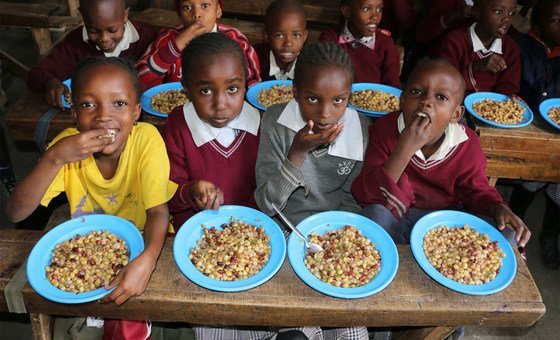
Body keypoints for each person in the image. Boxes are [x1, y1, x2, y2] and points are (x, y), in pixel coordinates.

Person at [6, 56, 177, 339]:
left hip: (149, 242)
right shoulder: (66, 148)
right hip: (90, 252)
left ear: (136, 112)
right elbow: (16, 212)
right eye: (88, 104)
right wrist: (54, 157)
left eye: (119, 104)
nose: (103, 116)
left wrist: (147, 259)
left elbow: (158, 212)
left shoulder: (146, 139)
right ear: (73, 114)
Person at [255, 41, 370, 340]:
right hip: (282, 230)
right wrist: (296, 153)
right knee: (294, 322)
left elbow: (352, 200)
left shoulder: (360, 130)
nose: (325, 113)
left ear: (349, 97)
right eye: (312, 98)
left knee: (350, 325)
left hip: (332, 235)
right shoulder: (275, 122)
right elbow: (266, 203)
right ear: (294, 92)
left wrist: (335, 243)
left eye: (338, 101)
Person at [351, 59, 531, 248]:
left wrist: (498, 207)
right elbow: (366, 194)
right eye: (416, 92)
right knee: (373, 217)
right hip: (400, 218)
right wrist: (404, 149)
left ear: (456, 114)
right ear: (402, 100)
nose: (426, 101)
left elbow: (476, 189)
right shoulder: (385, 129)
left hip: (446, 225)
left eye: (441, 97)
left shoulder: (466, 142)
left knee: (509, 234)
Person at [163, 33, 260, 231]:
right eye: (206, 91)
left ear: (246, 84)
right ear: (187, 91)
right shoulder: (179, 125)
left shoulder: (259, 124)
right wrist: (192, 191)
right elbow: (167, 194)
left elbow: (265, 190)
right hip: (195, 230)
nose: (220, 104)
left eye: (232, 88)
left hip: (250, 228)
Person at [26, 0, 157, 109]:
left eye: (112, 30)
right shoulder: (76, 41)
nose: (104, 38)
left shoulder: (146, 36)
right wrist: (50, 83)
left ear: (125, 14)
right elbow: (36, 75)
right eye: (93, 31)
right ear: (82, 16)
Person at [510, 0, 559, 270]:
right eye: (555, 20)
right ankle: (516, 223)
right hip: (528, 128)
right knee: (531, 177)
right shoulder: (522, 49)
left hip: (557, 133)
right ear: (538, 25)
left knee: (557, 182)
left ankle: (550, 233)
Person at [136, 0, 260, 89]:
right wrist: (176, 46)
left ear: (218, 10)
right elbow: (140, 79)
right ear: (180, 13)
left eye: (205, 5)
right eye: (187, 7)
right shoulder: (168, 38)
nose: (196, 14)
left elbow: (252, 86)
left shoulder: (235, 39)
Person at [438, 0, 521, 96]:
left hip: (489, 108)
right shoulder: (455, 41)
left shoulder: (510, 48)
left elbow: (509, 86)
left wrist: (509, 96)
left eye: (512, 13)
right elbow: (444, 84)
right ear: (477, 12)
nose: (507, 19)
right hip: (454, 104)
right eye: (498, 12)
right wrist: (476, 66)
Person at [318, 0, 401, 87]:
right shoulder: (331, 38)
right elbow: (321, 78)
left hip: (373, 99)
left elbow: (392, 87)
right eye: (366, 9)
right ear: (347, 11)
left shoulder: (386, 43)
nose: (375, 16)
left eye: (379, 9)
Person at [253, 0, 308, 81]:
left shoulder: (309, 64)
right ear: (266, 35)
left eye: (296, 35)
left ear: (305, 36)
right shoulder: (254, 59)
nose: (288, 43)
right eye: (279, 35)